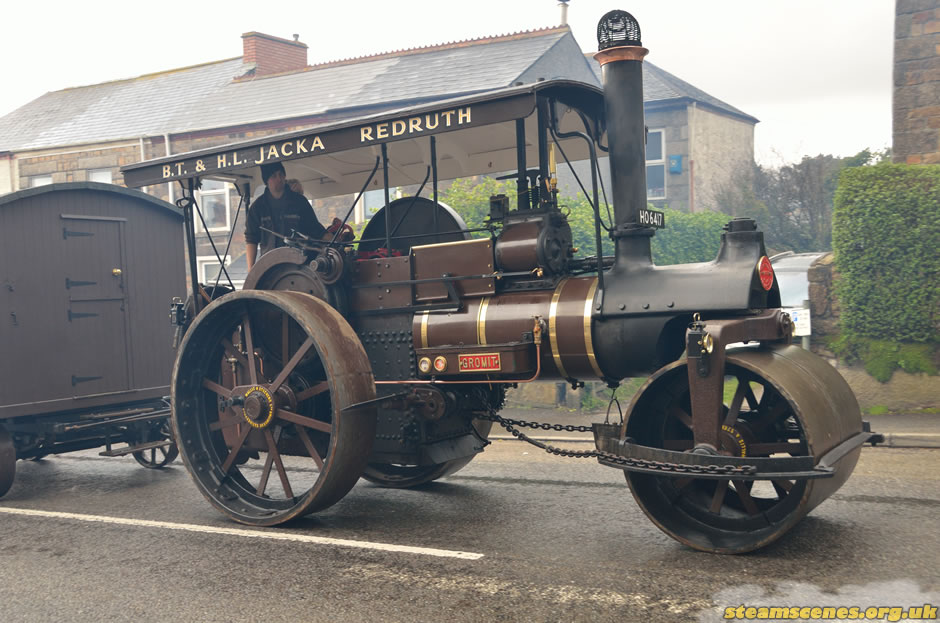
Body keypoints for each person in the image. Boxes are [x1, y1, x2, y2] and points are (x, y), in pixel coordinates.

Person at [244, 162, 326, 270]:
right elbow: (251, 239)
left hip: (299, 267)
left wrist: (336, 241)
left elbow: (316, 230)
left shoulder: (300, 202)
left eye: (281, 174)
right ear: (266, 180)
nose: (279, 179)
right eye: (274, 176)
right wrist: (251, 272)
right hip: (269, 268)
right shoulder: (257, 208)